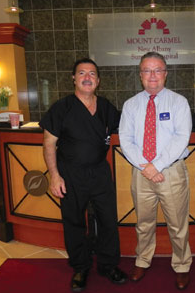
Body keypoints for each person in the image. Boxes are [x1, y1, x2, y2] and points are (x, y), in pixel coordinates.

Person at [40, 58, 127, 292]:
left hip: (100, 172)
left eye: (92, 74)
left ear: (98, 81)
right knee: (74, 221)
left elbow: (127, 129)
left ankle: (108, 265)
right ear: (74, 78)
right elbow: (48, 145)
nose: (87, 77)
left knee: (108, 220)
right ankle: (80, 266)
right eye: (82, 73)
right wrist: (54, 176)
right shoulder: (61, 108)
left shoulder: (107, 107)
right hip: (70, 173)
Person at [119, 52, 193, 290]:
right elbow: (126, 140)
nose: (152, 75)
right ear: (140, 75)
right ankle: (142, 260)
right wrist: (146, 166)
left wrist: (157, 166)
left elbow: (181, 138)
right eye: (147, 70)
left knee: (177, 224)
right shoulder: (131, 105)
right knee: (144, 222)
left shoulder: (179, 102)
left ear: (166, 74)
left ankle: (182, 265)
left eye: (157, 70)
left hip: (170, 172)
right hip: (141, 173)